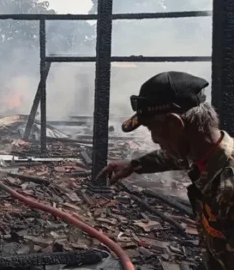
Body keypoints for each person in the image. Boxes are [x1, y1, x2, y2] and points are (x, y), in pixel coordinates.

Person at [98, 71, 234, 270]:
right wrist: (134, 165)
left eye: (152, 128)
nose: (154, 139)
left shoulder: (229, 189)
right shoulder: (204, 152)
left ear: (174, 124)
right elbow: (170, 159)